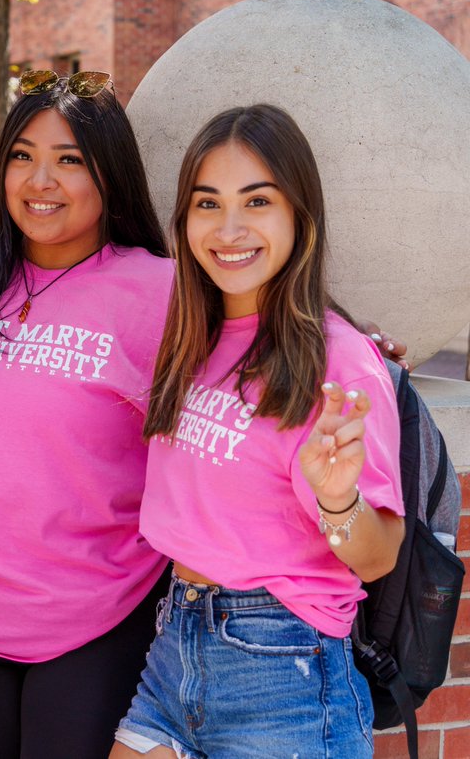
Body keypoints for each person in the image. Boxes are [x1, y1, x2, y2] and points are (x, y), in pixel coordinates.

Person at [112, 104, 405, 758]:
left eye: (257, 201)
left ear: (300, 215)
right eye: (208, 203)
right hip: (175, 641)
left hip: (282, 665)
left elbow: (379, 553)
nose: (230, 227)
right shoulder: (194, 338)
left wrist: (336, 497)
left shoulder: (339, 358)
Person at [0, 69, 174, 758]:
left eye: (69, 160)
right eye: (23, 155)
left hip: (97, 610)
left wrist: (366, 355)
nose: (40, 180)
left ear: (110, 174)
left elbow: (252, 357)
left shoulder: (159, 290)